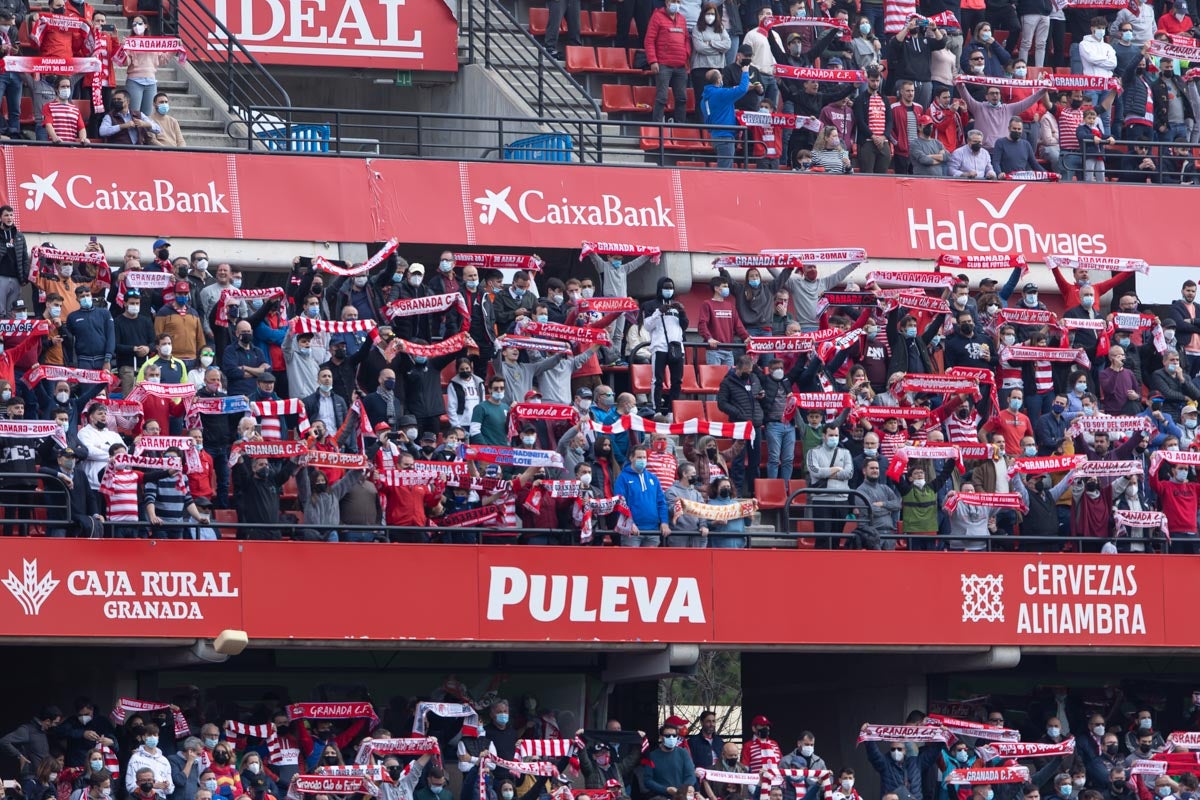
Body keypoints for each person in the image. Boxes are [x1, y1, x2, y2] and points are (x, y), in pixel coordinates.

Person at [645, 0, 692, 122]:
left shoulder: (682, 19)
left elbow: (686, 39)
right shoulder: (657, 17)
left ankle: (680, 128)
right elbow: (649, 40)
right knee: (662, 98)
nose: (675, 3)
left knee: (682, 98)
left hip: (681, 66)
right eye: (673, 1)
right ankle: (657, 127)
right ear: (666, 2)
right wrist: (653, 61)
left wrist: (686, 53)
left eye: (677, 1)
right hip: (663, 65)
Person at [614, 445, 670, 546]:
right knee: (632, 562)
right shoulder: (622, 478)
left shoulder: (653, 478)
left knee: (652, 562)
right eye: (639, 457)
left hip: (653, 530)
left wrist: (664, 522)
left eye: (644, 457)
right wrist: (629, 524)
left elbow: (661, 503)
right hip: (632, 531)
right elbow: (620, 503)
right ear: (631, 458)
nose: (643, 460)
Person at [701, 65, 750, 168]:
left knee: (724, 167)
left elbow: (715, 112)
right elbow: (743, 89)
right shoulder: (721, 94)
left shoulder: (704, 98)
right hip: (725, 137)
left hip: (716, 136)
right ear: (719, 80)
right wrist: (745, 72)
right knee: (725, 170)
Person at [852, 66, 893, 173]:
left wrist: (884, 136)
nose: (875, 83)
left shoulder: (884, 98)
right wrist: (873, 136)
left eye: (877, 81)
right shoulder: (860, 99)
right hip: (867, 142)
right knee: (867, 175)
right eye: (872, 81)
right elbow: (860, 121)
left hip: (883, 141)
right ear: (867, 80)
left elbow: (889, 120)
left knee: (882, 177)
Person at [644, 724, 696, 800]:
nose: (671, 738)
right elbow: (647, 781)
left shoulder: (683, 753)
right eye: (668, 736)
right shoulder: (652, 756)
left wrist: (682, 791)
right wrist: (666, 789)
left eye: (674, 736)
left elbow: (691, 775)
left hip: (682, 797)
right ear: (661, 737)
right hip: (660, 797)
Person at [42, 74, 88, 145]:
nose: (66, 89)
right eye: (63, 87)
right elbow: (48, 125)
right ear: (56, 89)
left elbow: (82, 128)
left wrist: (83, 138)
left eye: (68, 86)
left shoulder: (75, 109)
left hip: (71, 148)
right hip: (55, 147)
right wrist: (55, 138)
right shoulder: (48, 106)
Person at [1077, 106, 1114, 182]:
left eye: (1093, 118)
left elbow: (1102, 136)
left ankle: (1101, 189)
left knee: (1101, 174)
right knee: (1089, 174)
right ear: (1084, 119)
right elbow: (1081, 136)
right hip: (1089, 155)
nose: (1091, 120)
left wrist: (1110, 137)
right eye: (1089, 118)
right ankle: (1088, 189)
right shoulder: (1081, 128)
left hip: (1099, 154)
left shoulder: (1096, 128)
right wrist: (1093, 137)